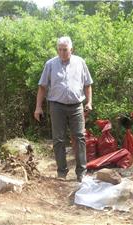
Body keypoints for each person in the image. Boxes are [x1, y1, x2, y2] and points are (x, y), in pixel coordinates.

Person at [34, 36, 93, 182]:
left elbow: (87, 84)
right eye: (59, 49)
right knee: (58, 139)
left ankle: (81, 173)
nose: (62, 52)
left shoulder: (80, 63)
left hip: (76, 106)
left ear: (71, 50)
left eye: (65, 50)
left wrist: (89, 102)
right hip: (56, 106)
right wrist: (38, 108)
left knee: (79, 137)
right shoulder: (50, 64)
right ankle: (61, 172)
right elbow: (42, 87)